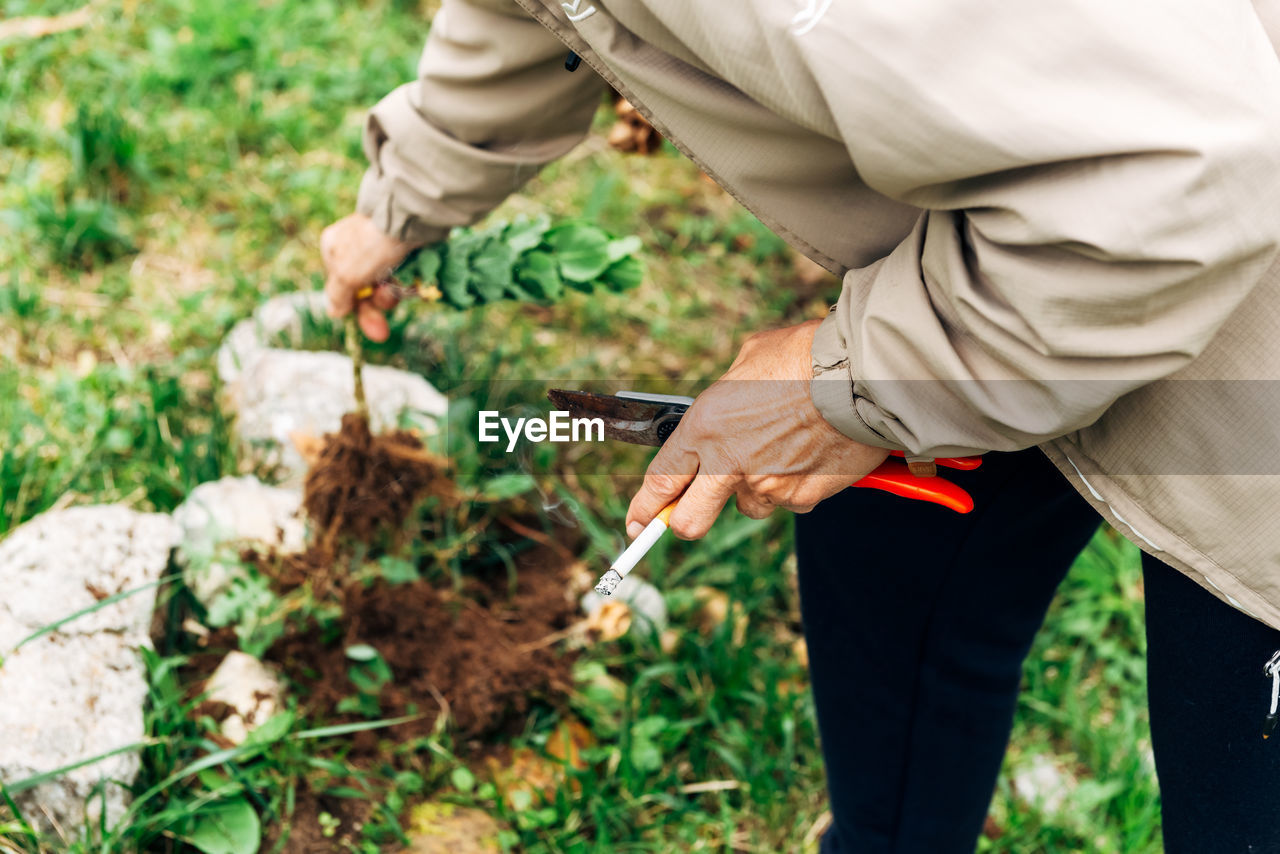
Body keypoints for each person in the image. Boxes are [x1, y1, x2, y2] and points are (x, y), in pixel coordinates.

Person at [320, 1, 1280, 850]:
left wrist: (854, 379)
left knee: (1240, 794)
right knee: (891, 553)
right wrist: (411, 194)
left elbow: (1186, 170)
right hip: (1030, 248)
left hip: (1215, 293)